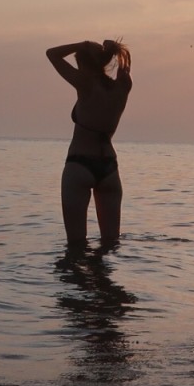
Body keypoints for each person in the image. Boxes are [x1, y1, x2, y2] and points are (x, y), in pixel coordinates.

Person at [47, 38, 133, 247]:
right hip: (110, 170)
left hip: (80, 165)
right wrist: (110, 49)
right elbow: (125, 65)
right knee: (110, 245)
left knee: (76, 247)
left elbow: (52, 54)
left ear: (83, 63)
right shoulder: (123, 86)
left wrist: (81, 44)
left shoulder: (84, 83)